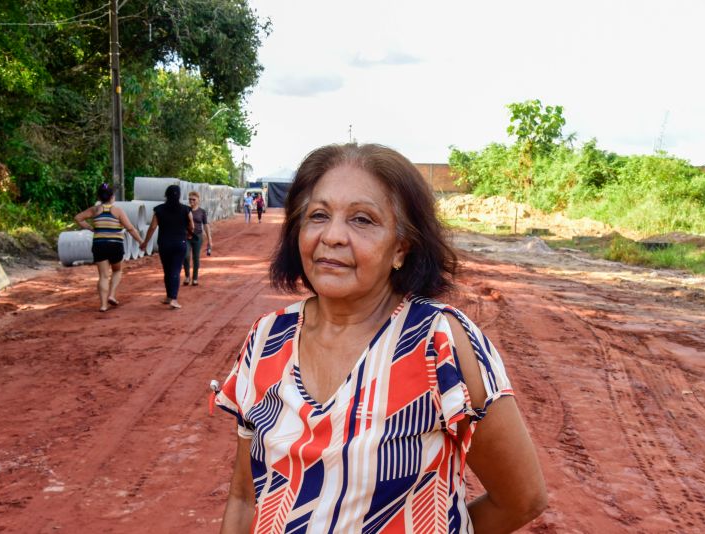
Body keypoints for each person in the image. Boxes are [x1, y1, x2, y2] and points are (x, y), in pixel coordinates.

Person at [215, 143, 547, 533]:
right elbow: (243, 498)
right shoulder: (267, 338)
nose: (333, 235)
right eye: (318, 215)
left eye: (362, 220)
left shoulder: (440, 344)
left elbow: (521, 500)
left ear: (401, 248)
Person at [74, 183, 143, 312]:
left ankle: (103, 305)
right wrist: (141, 241)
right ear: (112, 197)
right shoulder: (117, 211)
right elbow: (130, 228)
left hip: (99, 245)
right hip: (115, 245)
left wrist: (90, 228)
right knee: (117, 271)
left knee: (103, 276)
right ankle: (112, 295)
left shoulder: (94, 210)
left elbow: (78, 218)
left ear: (99, 197)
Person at [140, 184, 194, 309]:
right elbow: (191, 225)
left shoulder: (159, 210)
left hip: (164, 243)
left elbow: (153, 227)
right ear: (180, 195)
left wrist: (145, 242)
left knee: (167, 270)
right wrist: (189, 234)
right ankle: (174, 299)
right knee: (175, 270)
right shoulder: (186, 209)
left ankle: (169, 296)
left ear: (166, 195)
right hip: (180, 243)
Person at [183, 191, 213, 286]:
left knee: (196, 257)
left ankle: (195, 278)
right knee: (186, 256)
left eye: (194, 199)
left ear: (198, 200)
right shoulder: (185, 210)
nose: (191, 201)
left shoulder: (202, 212)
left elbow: (206, 225)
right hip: (186, 236)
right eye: (190, 199)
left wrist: (209, 239)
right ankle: (187, 276)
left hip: (198, 237)